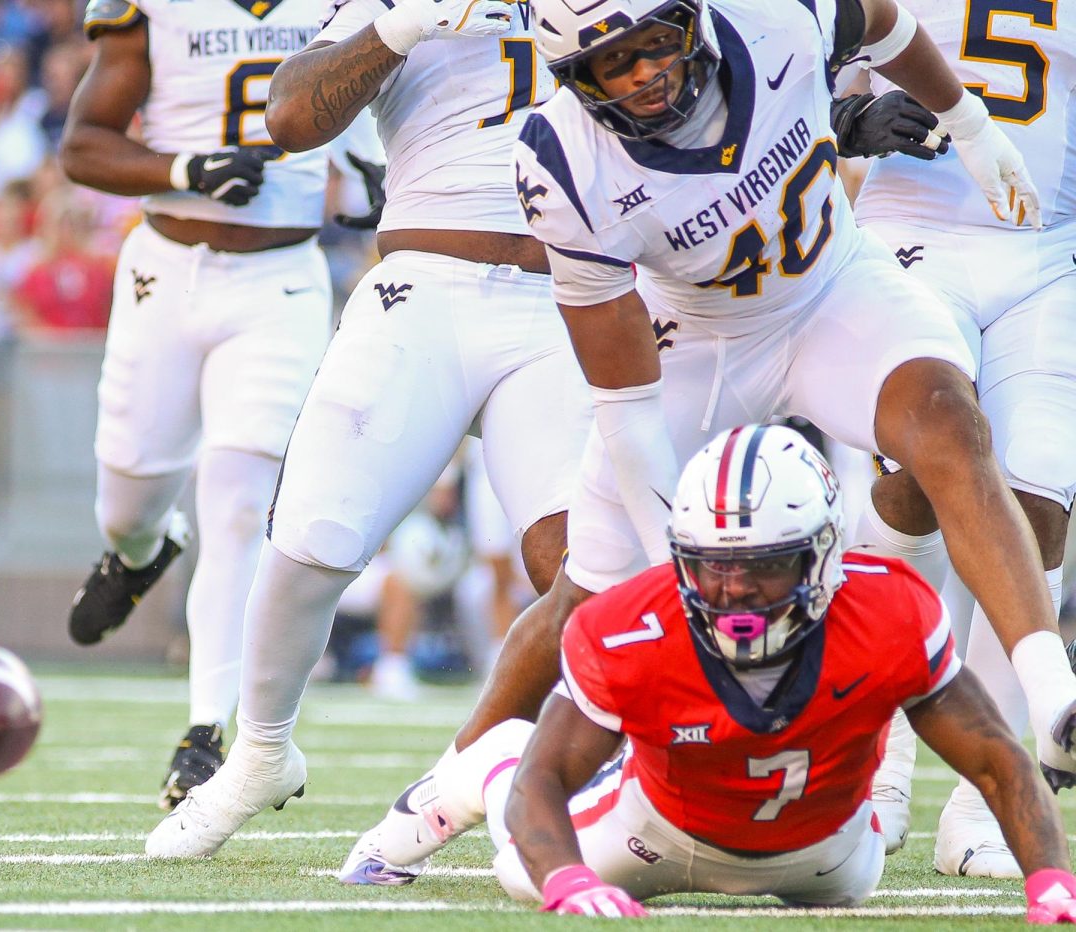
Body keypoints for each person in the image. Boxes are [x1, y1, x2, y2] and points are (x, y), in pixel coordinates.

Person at [337, 0, 1076, 883]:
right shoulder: (562, 159)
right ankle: (448, 783)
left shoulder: (772, 16)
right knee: (588, 592)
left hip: (834, 293)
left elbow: (881, 22)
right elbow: (626, 405)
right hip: (690, 344)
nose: (646, 73)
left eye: (655, 45)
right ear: (578, 81)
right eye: (615, 64)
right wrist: (671, 586)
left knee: (952, 428)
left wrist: (967, 121)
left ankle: (1054, 698)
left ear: (688, 22)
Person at [144, 0, 594, 857]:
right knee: (313, 539)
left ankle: (475, 776)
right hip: (423, 288)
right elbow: (290, 117)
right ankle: (260, 753)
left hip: (572, 298)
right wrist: (411, 19)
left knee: (581, 566)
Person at [454, 426, 1076, 919]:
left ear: (823, 554)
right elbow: (546, 779)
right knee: (524, 868)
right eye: (712, 565)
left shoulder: (889, 612)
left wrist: (1052, 881)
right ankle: (489, 762)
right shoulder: (635, 621)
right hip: (651, 836)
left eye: (766, 564)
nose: (736, 591)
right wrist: (566, 879)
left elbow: (998, 763)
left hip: (830, 855)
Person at [59, 0, 379, 809]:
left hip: (280, 279)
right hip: (165, 272)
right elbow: (83, 145)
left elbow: (378, 109)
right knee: (127, 495)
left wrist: (372, 173)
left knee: (238, 504)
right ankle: (139, 552)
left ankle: (205, 733)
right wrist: (186, 169)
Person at [845, 0, 1076, 878]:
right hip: (912, 234)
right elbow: (774, 89)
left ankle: (987, 795)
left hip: (1052, 251)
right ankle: (884, 757)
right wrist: (847, 123)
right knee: (916, 471)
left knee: (1039, 493)